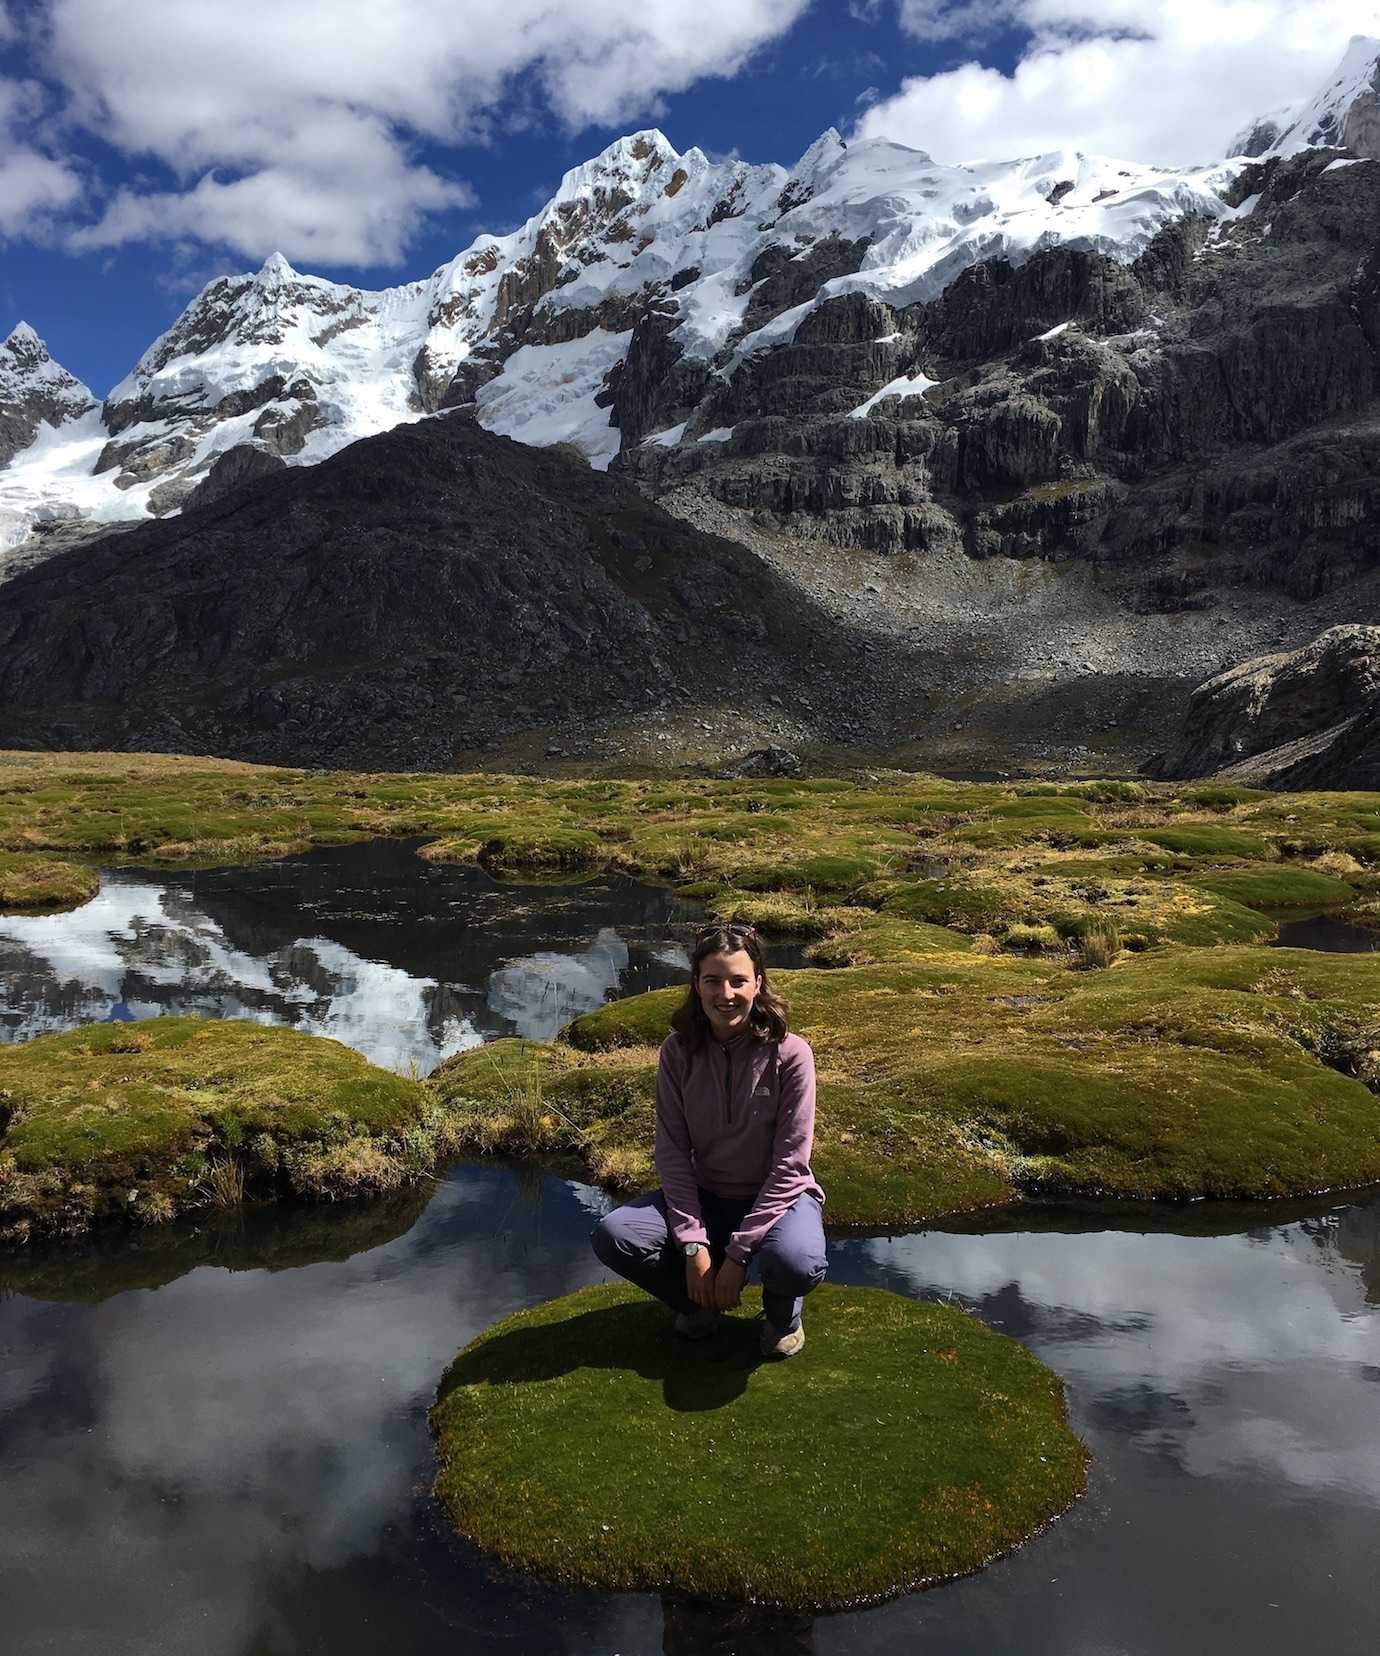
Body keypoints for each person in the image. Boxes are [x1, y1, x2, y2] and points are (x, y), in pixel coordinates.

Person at [590, 921, 827, 1359]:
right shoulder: (678, 1052)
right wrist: (694, 1242)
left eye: (738, 980)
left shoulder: (791, 1054)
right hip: (708, 1194)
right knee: (615, 1234)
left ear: (758, 983)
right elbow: (673, 1152)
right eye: (713, 981)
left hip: (780, 1200)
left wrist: (736, 1257)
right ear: (696, 985)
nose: (726, 994)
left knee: (797, 1261)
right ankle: (698, 1304)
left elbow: (791, 1165)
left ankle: (781, 1317)